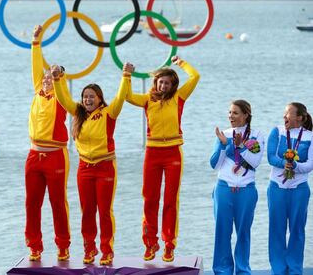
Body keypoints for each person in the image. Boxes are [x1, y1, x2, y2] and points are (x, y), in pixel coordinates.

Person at [53, 61, 134, 266]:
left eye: (92, 96)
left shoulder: (109, 112)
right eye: (85, 96)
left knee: (105, 211)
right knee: (87, 211)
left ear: (99, 99)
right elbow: (62, 98)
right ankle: (90, 249)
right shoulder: (78, 113)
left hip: (105, 167)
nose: (88, 99)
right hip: (84, 168)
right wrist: (57, 78)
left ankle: (107, 250)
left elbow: (121, 96)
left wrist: (125, 75)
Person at [125, 56, 199, 262]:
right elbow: (127, 96)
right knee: (150, 199)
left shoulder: (179, 97)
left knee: (170, 200)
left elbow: (195, 76)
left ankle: (169, 244)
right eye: (161, 82)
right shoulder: (147, 99)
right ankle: (150, 244)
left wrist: (181, 63)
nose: (163, 85)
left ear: (173, 84)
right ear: (156, 82)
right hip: (152, 153)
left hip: (173, 152)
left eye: (167, 82)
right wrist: (126, 75)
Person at [24, 25, 71, 262]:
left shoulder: (62, 98)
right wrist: (35, 40)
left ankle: (63, 245)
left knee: (57, 203)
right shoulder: (37, 92)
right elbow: (35, 66)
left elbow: (59, 79)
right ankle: (34, 246)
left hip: (55, 156)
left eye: (50, 79)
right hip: (34, 156)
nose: (45, 81)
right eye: (44, 78)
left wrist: (58, 73)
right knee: (32, 203)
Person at [210, 100, 264, 274]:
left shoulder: (256, 135)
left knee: (243, 234)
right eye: (229, 112)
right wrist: (224, 145)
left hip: (246, 191)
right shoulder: (224, 134)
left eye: (235, 113)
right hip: (224, 190)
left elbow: (254, 162)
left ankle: (242, 270)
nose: (230, 116)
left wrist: (238, 145)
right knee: (222, 234)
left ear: (245, 115)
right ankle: (222, 270)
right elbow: (214, 164)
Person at [267, 102, 313, 275]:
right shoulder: (276, 131)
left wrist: (294, 166)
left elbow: (309, 165)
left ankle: (295, 270)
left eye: (288, 114)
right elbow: (271, 157)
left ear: (299, 118)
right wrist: (284, 164)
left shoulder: (310, 136)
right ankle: (278, 270)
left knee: (297, 230)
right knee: (276, 230)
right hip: (276, 189)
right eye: (284, 113)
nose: (284, 116)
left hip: (299, 190)